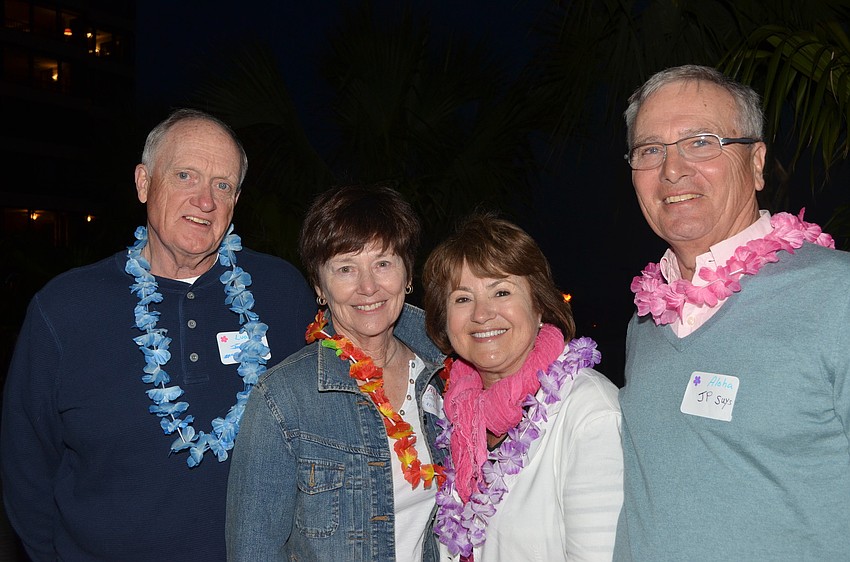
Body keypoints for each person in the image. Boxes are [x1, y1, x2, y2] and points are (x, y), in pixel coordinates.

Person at [0, 108, 316, 561]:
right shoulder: (64, 309)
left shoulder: (282, 292)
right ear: (144, 183)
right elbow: (26, 466)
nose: (204, 200)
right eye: (185, 175)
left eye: (222, 185)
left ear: (236, 200)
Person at [615, 64, 850, 560]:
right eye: (650, 149)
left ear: (758, 162)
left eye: (701, 142)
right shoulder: (645, 322)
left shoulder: (837, 295)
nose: (672, 170)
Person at [226, 184, 447, 561]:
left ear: (408, 274)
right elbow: (253, 551)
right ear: (319, 287)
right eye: (346, 268)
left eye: (383, 263)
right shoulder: (282, 398)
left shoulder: (445, 375)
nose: (368, 287)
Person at [422, 213, 623, 561]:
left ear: (540, 306)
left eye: (501, 291)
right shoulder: (451, 412)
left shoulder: (589, 414)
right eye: (462, 298)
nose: (482, 314)